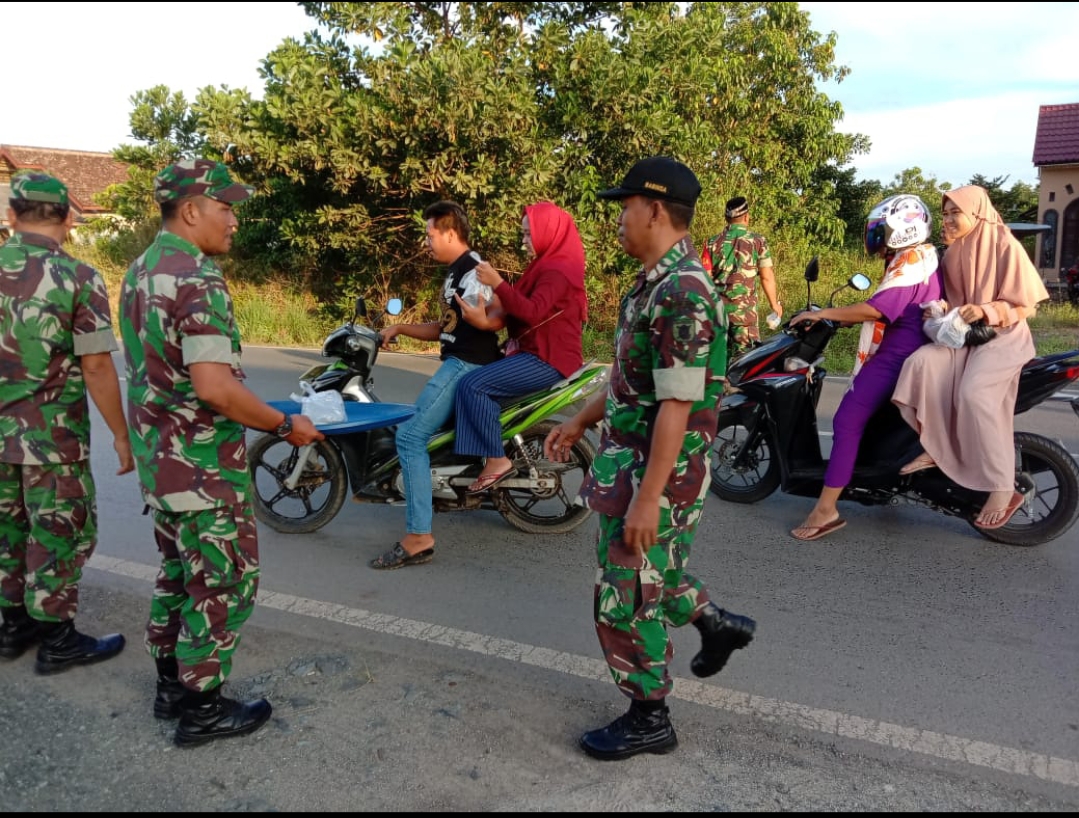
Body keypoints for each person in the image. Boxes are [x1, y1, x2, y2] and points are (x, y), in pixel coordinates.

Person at [544, 157, 756, 761]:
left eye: (626, 206)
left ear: (655, 210)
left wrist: (647, 496)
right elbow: (629, 376)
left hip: (656, 473)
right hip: (633, 463)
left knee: (625, 592)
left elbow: (676, 405)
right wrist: (582, 418)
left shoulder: (684, 290)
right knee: (646, 574)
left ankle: (649, 717)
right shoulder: (655, 284)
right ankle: (715, 623)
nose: (618, 218)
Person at [120, 158, 324, 747]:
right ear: (190, 210)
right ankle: (202, 711)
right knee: (224, 583)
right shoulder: (196, 277)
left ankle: (170, 688)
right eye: (225, 207)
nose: (234, 219)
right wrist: (287, 424)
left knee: (179, 575)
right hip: (203, 468)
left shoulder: (139, 271)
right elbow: (214, 387)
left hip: (163, 465)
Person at [0, 171, 133, 673]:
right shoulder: (78, 278)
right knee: (57, 533)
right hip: (51, 442)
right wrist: (121, 436)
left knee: (6, 531)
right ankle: (57, 639)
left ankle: (13, 627)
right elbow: (97, 365)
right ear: (68, 219)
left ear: (12, 215)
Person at [891, 185, 1050, 529]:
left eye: (954, 213)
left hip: (1003, 338)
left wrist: (986, 310)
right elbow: (952, 301)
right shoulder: (952, 253)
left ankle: (1003, 487)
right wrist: (940, 311)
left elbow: (1027, 305)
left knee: (974, 393)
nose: (947, 220)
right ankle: (938, 447)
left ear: (976, 212)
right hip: (967, 339)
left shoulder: (1004, 243)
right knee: (920, 364)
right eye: (944, 214)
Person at [789, 194, 942, 541]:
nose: (874, 237)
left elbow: (877, 309)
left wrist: (823, 313)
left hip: (898, 354)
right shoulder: (922, 256)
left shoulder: (911, 262)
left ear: (902, 231)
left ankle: (825, 510)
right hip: (909, 346)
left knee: (846, 420)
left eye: (880, 230)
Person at [369, 200, 504, 569]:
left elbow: (489, 317)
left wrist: (483, 316)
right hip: (457, 359)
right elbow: (444, 328)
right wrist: (399, 327)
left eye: (430, 235)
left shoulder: (473, 271)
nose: (426, 242)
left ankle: (418, 537)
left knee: (409, 437)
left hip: (466, 364)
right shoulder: (454, 272)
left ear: (449, 233)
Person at [453, 201, 589, 493]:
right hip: (535, 352)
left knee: (473, 386)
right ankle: (470, 459)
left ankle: (496, 460)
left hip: (547, 359)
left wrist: (498, 283)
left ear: (548, 232)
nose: (524, 240)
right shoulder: (546, 263)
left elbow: (532, 312)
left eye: (529, 234)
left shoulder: (557, 270)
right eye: (524, 234)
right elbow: (518, 307)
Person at [701, 195, 783, 374]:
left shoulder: (711, 243)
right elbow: (766, 276)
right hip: (744, 316)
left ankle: (716, 400)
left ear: (726, 218)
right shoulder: (757, 241)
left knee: (715, 365)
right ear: (747, 217)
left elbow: (704, 279)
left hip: (716, 314)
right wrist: (774, 305)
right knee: (745, 364)